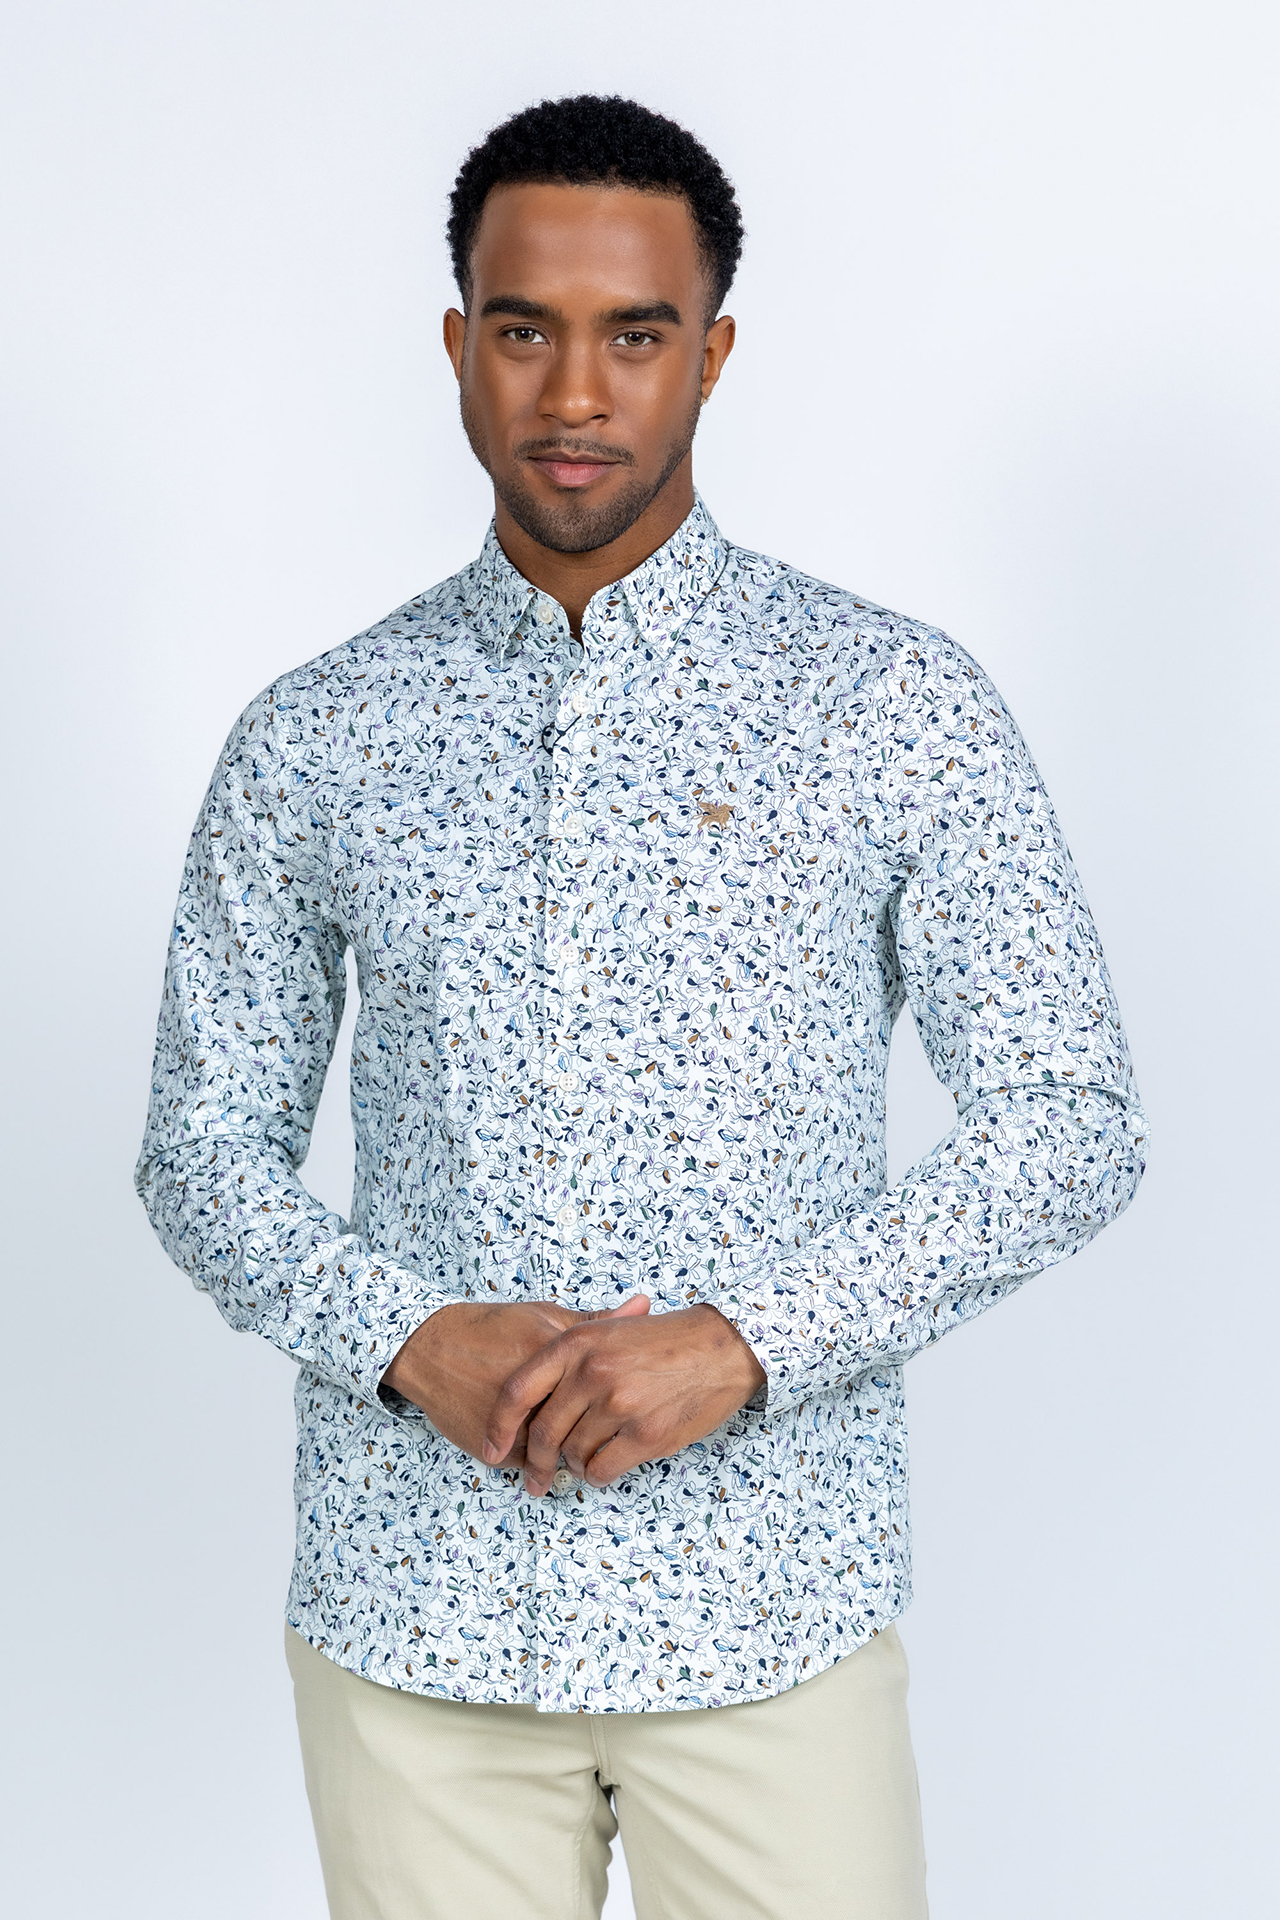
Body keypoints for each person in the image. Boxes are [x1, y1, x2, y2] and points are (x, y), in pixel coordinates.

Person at [136, 93, 1148, 1920]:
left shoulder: (891, 704)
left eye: (636, 333)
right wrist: (403, 1336)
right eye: (527, 331)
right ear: (460, 345)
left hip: (774, 1610)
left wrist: (746, 1342)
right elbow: (201, 1155)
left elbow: (1070, 1122)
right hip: (414, 1615)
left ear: (714, 354)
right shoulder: (317, 734)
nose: (577, 394)